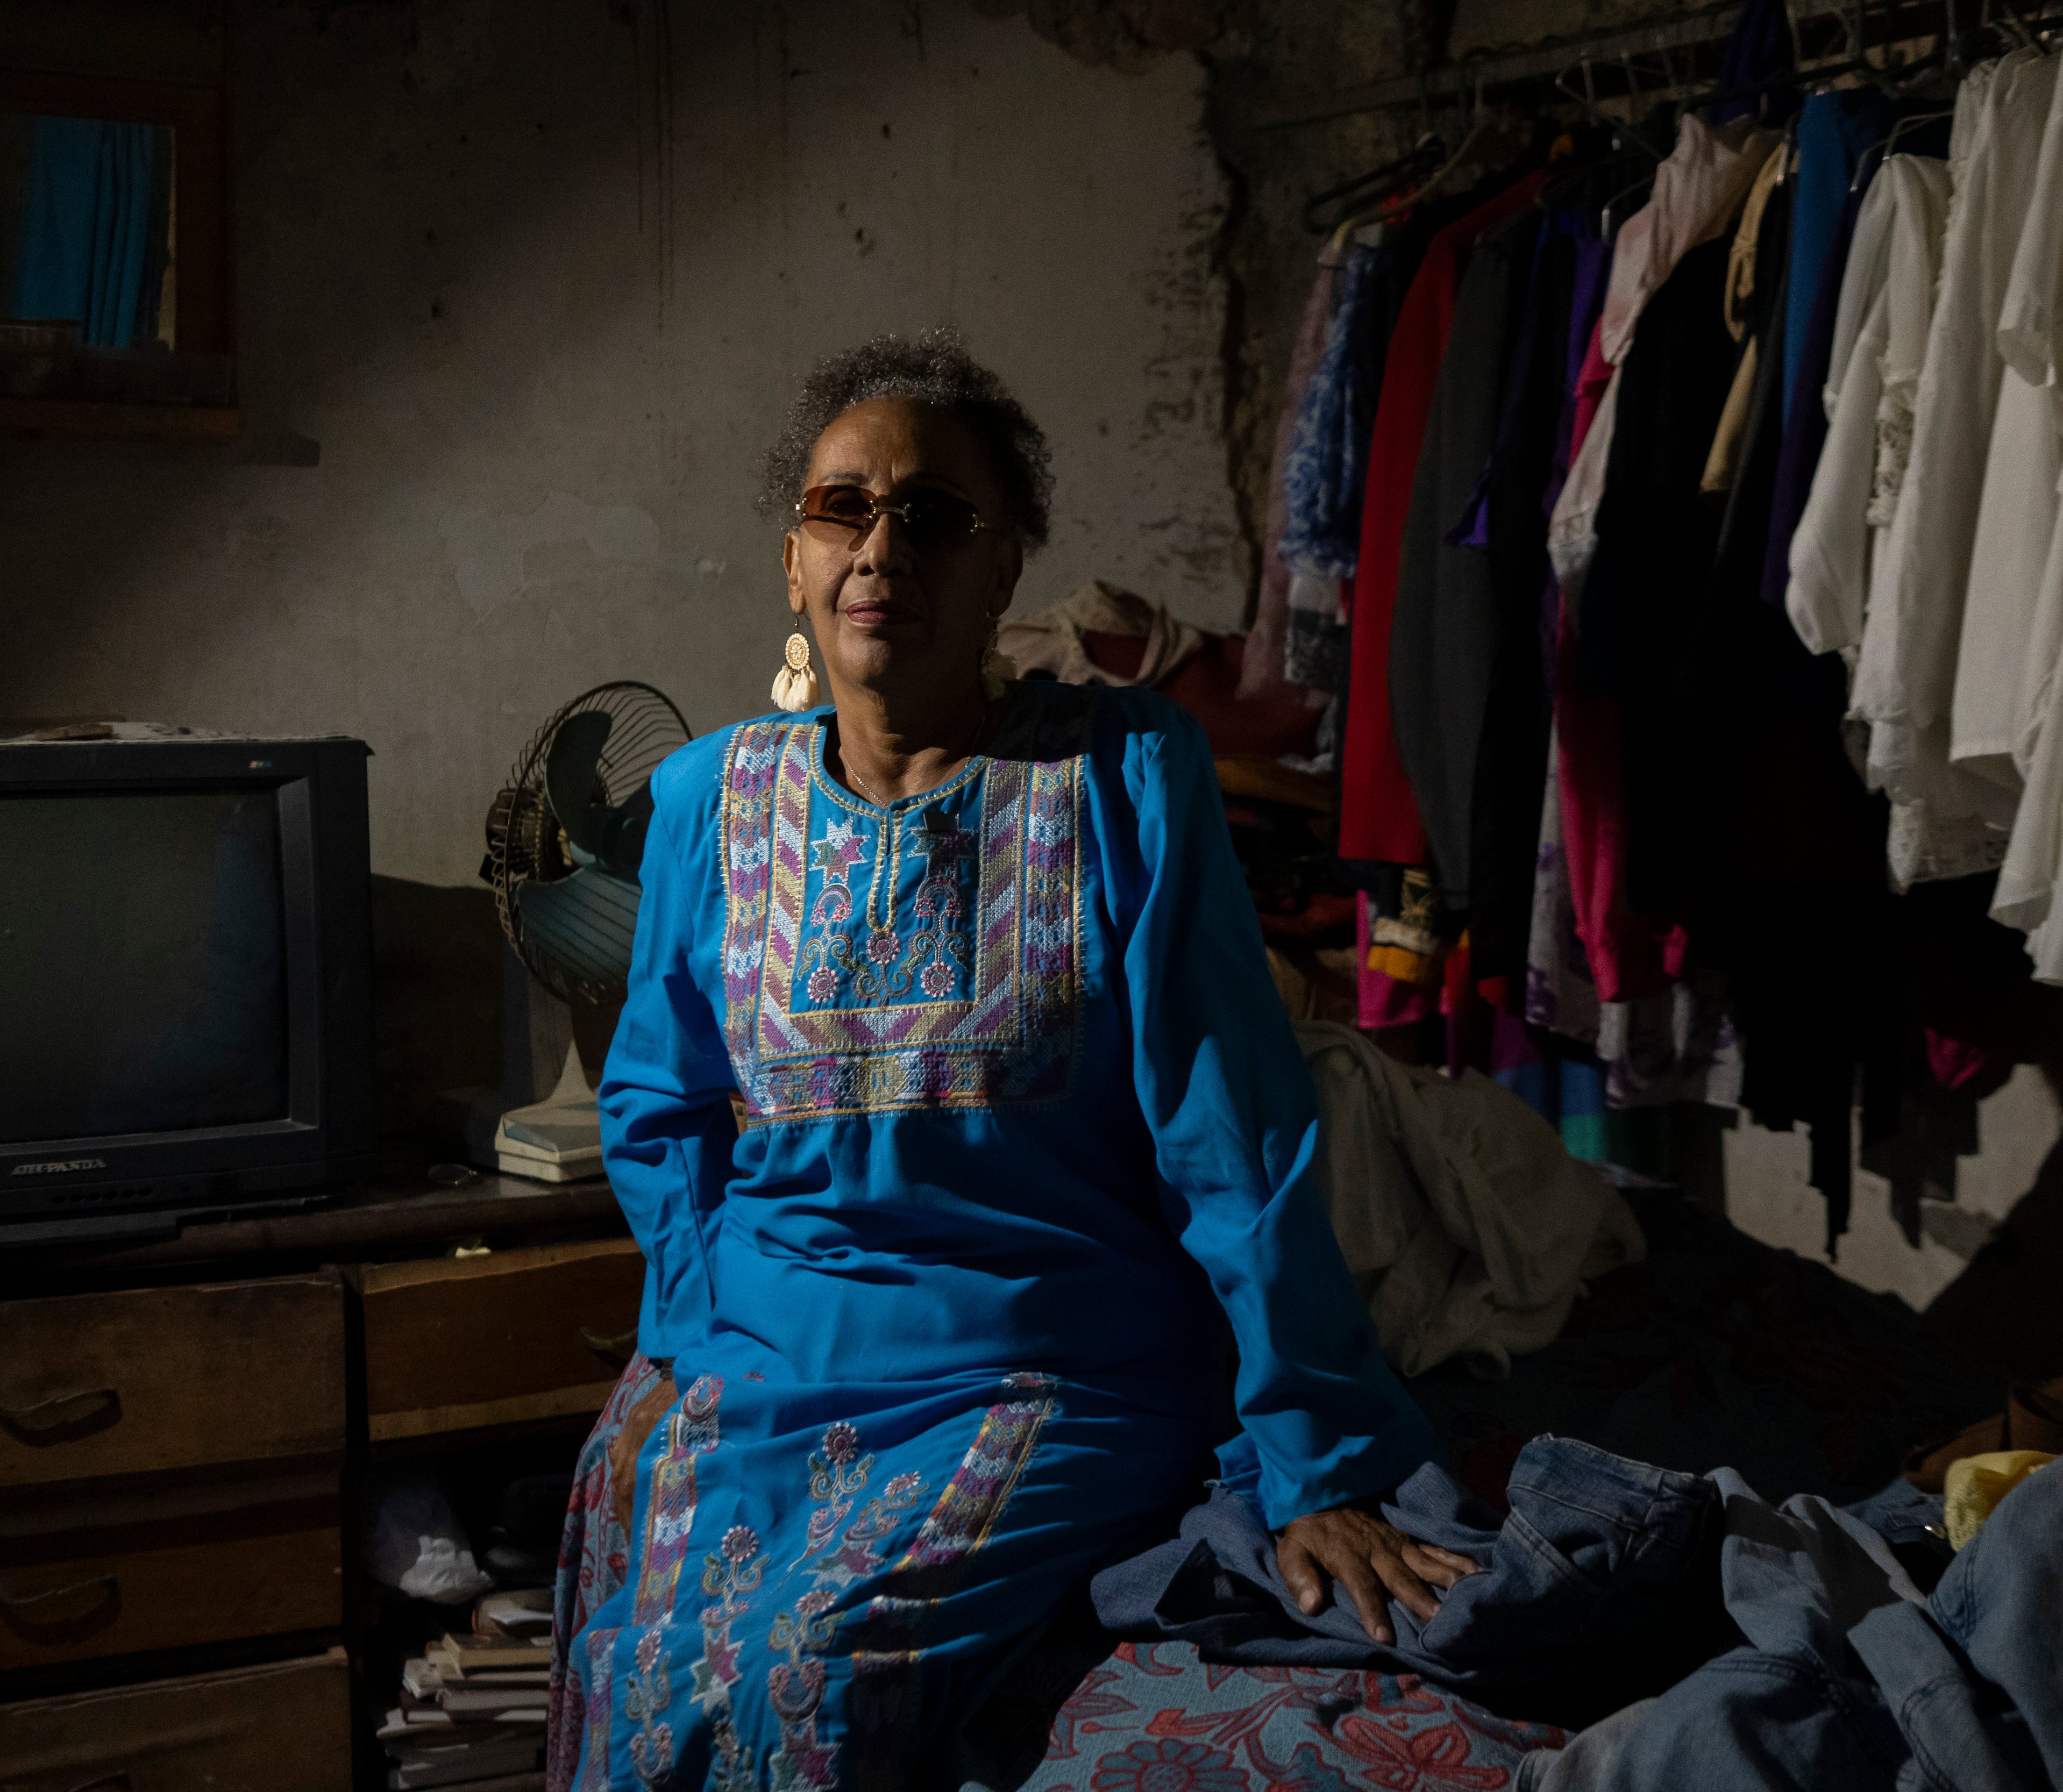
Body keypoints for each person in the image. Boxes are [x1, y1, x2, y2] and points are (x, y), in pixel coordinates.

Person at [563, 327, 1460, 1791]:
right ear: (794, 558)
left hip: (1044, 1367)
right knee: (637, 1632)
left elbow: (1231, 1125)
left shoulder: (1123, 773)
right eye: (843, 509)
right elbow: (662, 1105)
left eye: (934, 516)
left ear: (1004, 565)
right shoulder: (705, 798)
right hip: (764, 1353)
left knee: (806, 1677)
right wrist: (693, 1331)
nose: (881, 549)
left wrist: (1315, 1453)